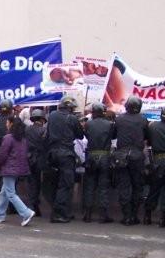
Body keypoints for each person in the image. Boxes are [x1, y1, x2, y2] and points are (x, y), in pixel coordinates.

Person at [0, 117, 35, 227]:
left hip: (8, 169)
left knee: (10, 193)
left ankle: (26, 212)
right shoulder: (23, 139)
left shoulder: (8, 138)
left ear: (10, 124)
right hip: (18, 169)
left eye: (7, 122)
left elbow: (2, 155)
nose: (6, 124)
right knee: (4, 192)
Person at [46, 95, 84, 223]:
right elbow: (80, 134)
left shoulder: (52, 115)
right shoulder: (72, 118)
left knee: (55, 183)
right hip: (66, 154)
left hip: (52, 153)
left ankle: (63, 212)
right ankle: (58, 213)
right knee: (66, 184)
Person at [114, 95, 149, 226]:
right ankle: (133, 214)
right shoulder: (143, 120)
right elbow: (147, 136)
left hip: (122, 155)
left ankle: (126, 215)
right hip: (137, 156)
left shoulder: (119, 119)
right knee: (137, 186)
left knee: (124, 186)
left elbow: (113, 134)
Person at [82, 103, 115, 223]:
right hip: (104, 156)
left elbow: (85, 135)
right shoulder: (110, 124)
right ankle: (103, 215)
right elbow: (113, 137)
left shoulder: (88, 124)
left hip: (91, 156)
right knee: (103, 186)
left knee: (90, 185)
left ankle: (87, 214)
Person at [25, 108, 48, 217]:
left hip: (28, 158)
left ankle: (32, 204)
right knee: (37, 183)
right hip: (39, 158)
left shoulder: (27, 129)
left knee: (30, 182)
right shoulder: (44, 131)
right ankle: (34, 205)